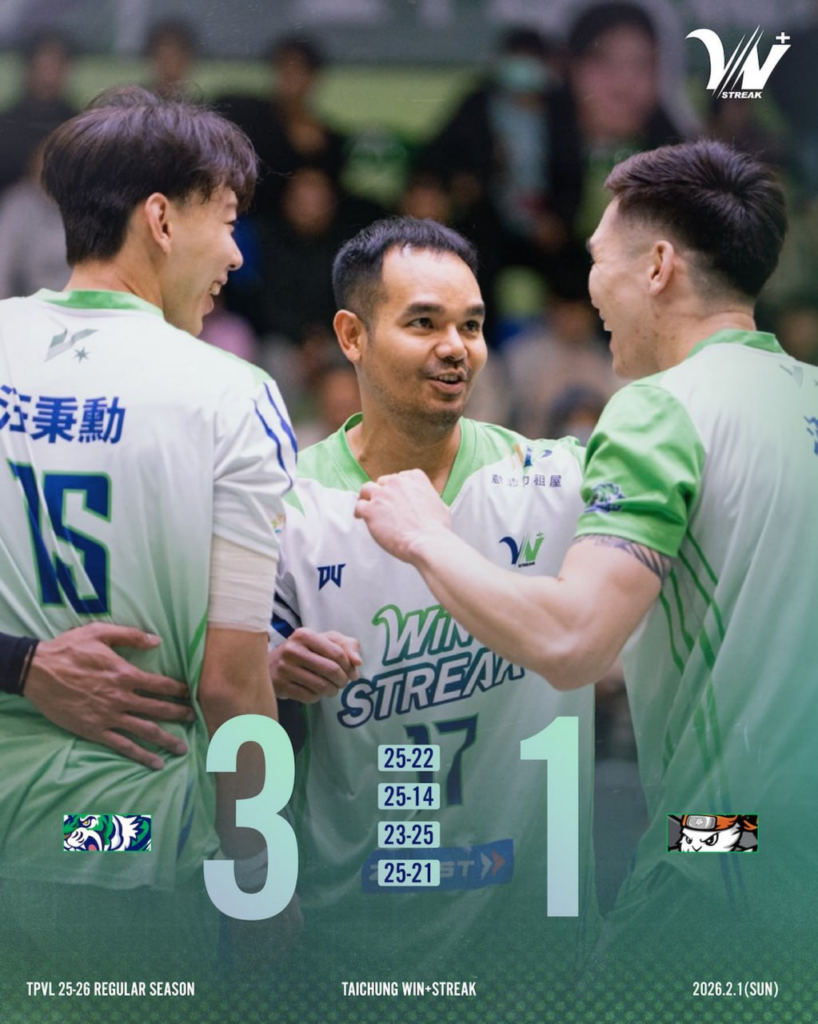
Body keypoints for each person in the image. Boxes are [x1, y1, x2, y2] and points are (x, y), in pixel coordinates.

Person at [355, 142, 817, 989]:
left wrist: (426, 537)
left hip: (729, 853)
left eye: (600, 259)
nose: (592, 286)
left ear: (658, 268)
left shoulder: (662, 410)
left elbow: (575, 643)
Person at [0, 85, 296, 981]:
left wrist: (23, 664)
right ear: (161, 220)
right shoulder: (232, 396)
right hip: (115, 838)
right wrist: (264, 878)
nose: (236, 253)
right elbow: (232, 687)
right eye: (227, 221)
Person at [268, 216, 598, 990]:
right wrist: (270, 666)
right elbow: (222, 673)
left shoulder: (556, 481)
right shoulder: (288, 502)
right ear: (352, 336)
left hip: (532, 949)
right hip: (348, 946)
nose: (457, 347)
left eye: (472, 326)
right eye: (424, 323)